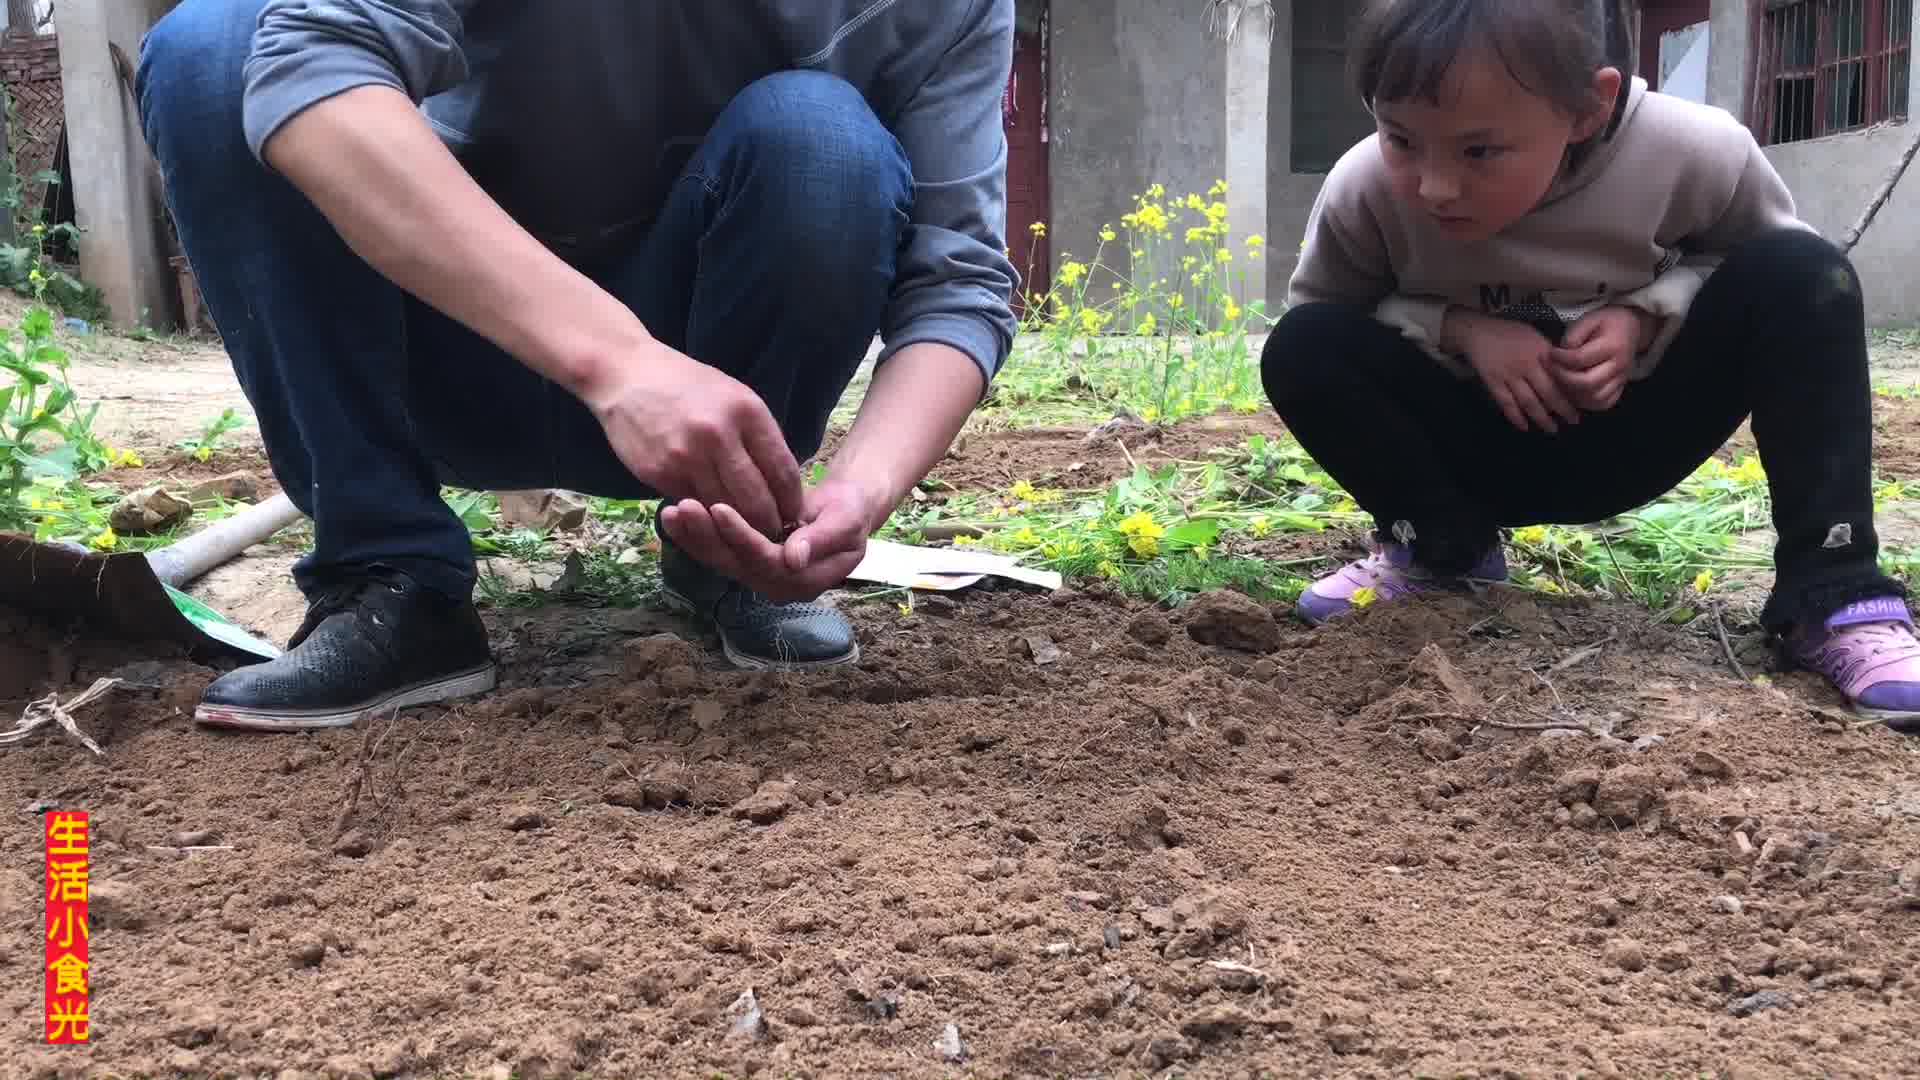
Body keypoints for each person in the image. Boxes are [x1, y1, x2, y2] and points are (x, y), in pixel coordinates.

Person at [134, 1, 1019, 732]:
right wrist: (617, 361)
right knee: (216, 48)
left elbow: (962, 281)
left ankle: (738, 546)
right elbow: (315, 61)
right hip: (435, 348)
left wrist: (856, 496)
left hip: (704, 418)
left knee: (822, 139)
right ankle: (387, 573)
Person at [1263, 0, 1920, 732]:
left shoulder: (1692, 152)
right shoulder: (1364, 188)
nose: (1434, 185)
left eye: (1479, 152)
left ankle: (1833, 588)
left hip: (1635, 430)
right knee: (1300, 348)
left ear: (1588, 106)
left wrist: (1648, 313)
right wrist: (1461, 330)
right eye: (1402, 139)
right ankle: (1439, 549)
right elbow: (1328, 325)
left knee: (1810, 275)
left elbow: (1767, 269)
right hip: (1470, 452)